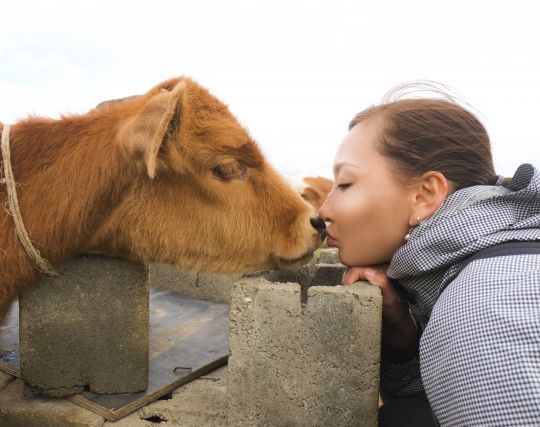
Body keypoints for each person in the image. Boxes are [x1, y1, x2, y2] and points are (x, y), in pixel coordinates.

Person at [318, 91, 540, 426]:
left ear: (424, 195)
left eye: (346, 184)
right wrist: (401, 330)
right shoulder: (479, 266)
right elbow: (441, 397)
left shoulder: (486, 309)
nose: (324, 210)